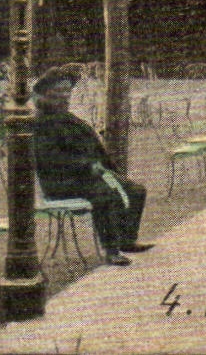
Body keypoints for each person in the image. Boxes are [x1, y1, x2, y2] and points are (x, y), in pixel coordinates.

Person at [31, 66, 151, 265]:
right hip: (60, 183)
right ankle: (111, 250)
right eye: (59, 91)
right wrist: (86, 165)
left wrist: (106, 169)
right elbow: (50, 159)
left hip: (88, 176)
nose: (65, 95)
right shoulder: (41, 122)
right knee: (106, 194)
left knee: (136, 190)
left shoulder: (67, 118)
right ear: (46, 93)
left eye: (68, 91)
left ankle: (127, 240)